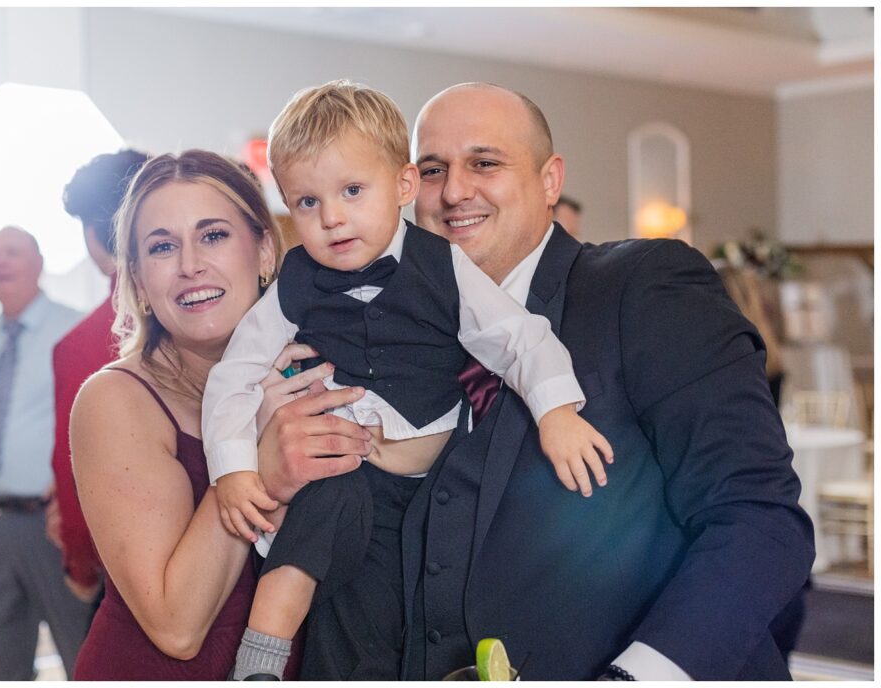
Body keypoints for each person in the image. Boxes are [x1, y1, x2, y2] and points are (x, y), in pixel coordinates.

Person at [395, 82, 815, 679]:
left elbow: (760, 520)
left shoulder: (644, 285)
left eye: (484, 163)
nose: (455, 190)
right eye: (432, 169)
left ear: (549, 180)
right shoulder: (404, 331)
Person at [203, 80, 612, 681]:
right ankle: (260, 662)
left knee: (415, 618)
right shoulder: (295, 280)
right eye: (307, 203)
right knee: (330, 570)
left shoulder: (443, 264)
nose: (332, 217)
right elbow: (233, 377)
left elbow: (518, 337)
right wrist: (234, 468)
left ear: (402, 185)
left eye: (350, 191)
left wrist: (556, 413)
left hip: (433, 484)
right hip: (343, 472)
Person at [70, 150, 345, 679]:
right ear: (139, 279)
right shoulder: (117, 399)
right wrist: (256, 455)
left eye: (213, 235)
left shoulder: (313, 363)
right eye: (162, 246)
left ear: (264, 251)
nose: (190, 264)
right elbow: (176, 626)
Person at [0, 226, 92, 680]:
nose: (0, 262)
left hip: (56, 522)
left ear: (39, 263)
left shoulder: (75, 329)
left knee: (82, 653)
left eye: (12, 252)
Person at [50, 148, 148, 604]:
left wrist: (80, 564)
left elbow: (73, 473)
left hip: (129, 569)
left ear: (93, 235)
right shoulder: (222, 316)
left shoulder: (79, 345)